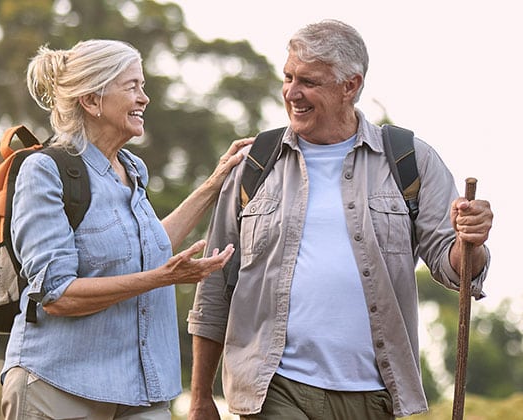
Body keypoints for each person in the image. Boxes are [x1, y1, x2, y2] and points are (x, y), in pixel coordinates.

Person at [186, 19, 494, 419]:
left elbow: (453, 264)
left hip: (377, 392)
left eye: (309, 82)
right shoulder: (255, 165)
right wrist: (199, 398)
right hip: (275, 387)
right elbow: (214, 284)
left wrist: (472, 241)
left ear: (350, 85)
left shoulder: (409, 159)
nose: (291, 93)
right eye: (288, 77)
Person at [5, 39, 250, 419]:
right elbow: (57, 294)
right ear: (92, 101)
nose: (144, 98)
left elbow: (149, 249)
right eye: (132, 86)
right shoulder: (45, 171)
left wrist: (214, 184)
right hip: (57, 386)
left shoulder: (132, 169)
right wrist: (161, 278)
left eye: (144, 86)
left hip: (140, 392)